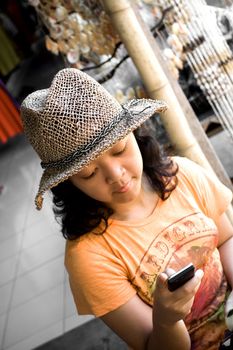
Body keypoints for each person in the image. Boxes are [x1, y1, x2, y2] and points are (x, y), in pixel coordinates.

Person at [20, 68, 233, 350]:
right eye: (88, 173)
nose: (117, 175)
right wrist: (166, 320)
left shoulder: (186, 175)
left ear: (134, 132)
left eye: (119, 149)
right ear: (68, 183)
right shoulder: (90, 258)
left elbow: (227, 238)